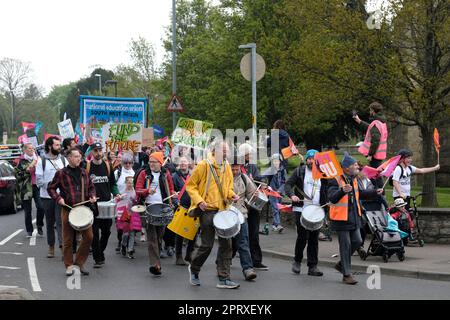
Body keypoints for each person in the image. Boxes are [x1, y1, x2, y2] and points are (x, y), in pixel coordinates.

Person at [186, 140, 241, 289]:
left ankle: (224, 278)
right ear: (214, 150)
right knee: (207, 245)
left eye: (227, 151)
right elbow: (191, 186)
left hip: (223, 210)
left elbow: (228, 188)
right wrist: (199, 201)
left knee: (226, 245)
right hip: (207, 210)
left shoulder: (227, 166)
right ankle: (194, 269)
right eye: (224, 150)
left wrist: (232, 195)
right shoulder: (204, 165)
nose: (226, 153)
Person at [327, 152, 382, 285]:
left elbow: (360, 194)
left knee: (357, 241)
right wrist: (342, 191)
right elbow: (331, 197)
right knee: (345, 246)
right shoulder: (336, 179)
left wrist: (375, 192)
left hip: (354, 217)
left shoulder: (354, 179)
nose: (358, 166)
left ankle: (341, 264)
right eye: (355, 164)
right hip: (341, 218)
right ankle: (347, 274)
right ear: (346, 168)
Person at [47, 148, 96, 276]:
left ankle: (79, 263)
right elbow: (51, 188)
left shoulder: (84, 172)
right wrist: (59, 199)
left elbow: (91, 187)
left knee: (89, 237)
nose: (78, 158)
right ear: (69, 158)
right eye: (75, 156)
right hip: (68, 209)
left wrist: (92, 196)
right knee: (68, 240)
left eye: (79, 156)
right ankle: (69, 265)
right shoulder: (61, 173)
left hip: (83, 209)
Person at [285, 149, 326, 276]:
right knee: (303, 236)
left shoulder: (323, 174)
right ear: (306, 160)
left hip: (316, 209)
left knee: (314, 239)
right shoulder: (299, 171)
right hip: (301, 208)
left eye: (314, 159)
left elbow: (326, 190)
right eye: (309, 159)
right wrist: (292, 195)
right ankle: (297, 261)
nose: (311, 161)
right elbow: (287, 185)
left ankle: (312, 266)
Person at [135, 151, 176, 276]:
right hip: (149, 207)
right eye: (150, 162)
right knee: (152, 236)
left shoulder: (166, 174)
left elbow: (171, 189)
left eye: (154, 162)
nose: (151, 164)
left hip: (163, 207)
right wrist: (147, 191)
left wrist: (174, 197)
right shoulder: (144, 174)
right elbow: (138, 190)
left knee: (159, 236)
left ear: (160, 163)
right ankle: (155, 264)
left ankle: (156, 261)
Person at [86, 143, 121, 268]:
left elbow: (113, 184)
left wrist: (116, 194)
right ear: (91, 152)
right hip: (93, 205)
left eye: (100, 150)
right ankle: (97, 258)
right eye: (95, 150)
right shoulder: (87, 166)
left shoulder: (108, 165)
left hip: (106, 204)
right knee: (94, 234)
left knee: (106, 232)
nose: (98, 153)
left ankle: (100, 251)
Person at [238, 143, 268, 270]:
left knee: (254, 233)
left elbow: (258, 179)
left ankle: (256, 260)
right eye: (249, 153)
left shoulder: (252, 166)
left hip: (253, 203)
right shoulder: (236, 166)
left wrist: (264, 183)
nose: (251, 156)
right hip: (241, 204)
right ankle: (227, 259)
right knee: (239, 235)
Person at [35, 136, 67, 258]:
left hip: (61, 197)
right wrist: (51, 186)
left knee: (61, 222)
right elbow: (39, 181)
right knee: (49, 222)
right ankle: (51, 246)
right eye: (57, 145)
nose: (60, 147)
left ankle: (63, 247)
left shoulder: (63, 160)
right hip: (46, 197)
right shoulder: (41, 161)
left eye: (60, 145)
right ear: (50, 146)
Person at [230, 156, 258, 281]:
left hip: (241, 214)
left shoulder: (244, 178)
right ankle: (221, 265)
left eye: (237, 169)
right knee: (226, 244)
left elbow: (252, 194)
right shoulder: (223, 178)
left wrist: (255, 194)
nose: (235, 172)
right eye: (233, 169)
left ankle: (248, 269)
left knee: (243, 243)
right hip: (226, 215)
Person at [353, 102, 388, 188]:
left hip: (375, 155)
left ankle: (380, 196)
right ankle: (378, 195)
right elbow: (370, 128)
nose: (369, 112)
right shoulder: (381, 122)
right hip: (379, 154)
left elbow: (375, 140)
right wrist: (359, 121)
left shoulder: (376, 123)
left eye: (370, 110)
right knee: (375, 175)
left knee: (375, 176)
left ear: (373, 111)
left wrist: (370, 154)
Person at [15, 143, 45, 237]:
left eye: (33, 148)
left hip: (37, 186)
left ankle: (39, 225)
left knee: (41, 207)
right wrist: (28, 170)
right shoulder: (20, 161)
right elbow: (17, 175)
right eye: (29, 148)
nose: (32, 150)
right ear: (24, 150)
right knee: (27, 211)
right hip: (26, 188)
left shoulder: (39, 159)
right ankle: (29, 230)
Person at [171, 156, 196, 265]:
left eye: (185, 162)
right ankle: (178, 256)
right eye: (181, 162)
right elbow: (172, 189)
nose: (183, 164)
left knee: (194, 232)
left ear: (188, 163)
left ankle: (189, 254)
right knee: (179, 233)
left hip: (194, 206)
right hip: (181, 206)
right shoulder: (174, 176)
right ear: (178, 164)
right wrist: (174, 196)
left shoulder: (193, 175)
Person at [113, 152, 135, 252]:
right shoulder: (117, 173)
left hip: (131, 203)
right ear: (122, 163)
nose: (127, 165)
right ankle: (120, 241)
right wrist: (117, 195)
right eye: (125, 163)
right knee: (120, 226)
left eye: (130, 163)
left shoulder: (135, 173)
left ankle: (129, 245)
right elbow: (113, 186)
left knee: (131, 225)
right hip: (120, 203)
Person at [264, 153, 286, 233]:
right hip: (272, 192)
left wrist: (280, 190)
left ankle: (274, 225)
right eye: (274, 161)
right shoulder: (270, 170)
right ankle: (278, 224)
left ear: (280, 161)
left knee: (278, 208)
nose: (276, 163)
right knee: (275, 208)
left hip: (279, 193)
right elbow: (261, 176)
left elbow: (284, 182)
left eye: (277, 161)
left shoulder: (283, 170)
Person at [118, 176, 139, 258]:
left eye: (132, 182)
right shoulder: (121, 191)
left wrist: (135, 201)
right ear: (126, 183)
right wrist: (119, 198)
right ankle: (123, 245)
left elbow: (137, 202)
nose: (131, 184)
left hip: (133, 213)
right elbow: (117, 201)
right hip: (124, 215)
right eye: (129, 182)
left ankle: (130, 250)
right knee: (126, 233)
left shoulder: (135, 192)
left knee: (132, 233)